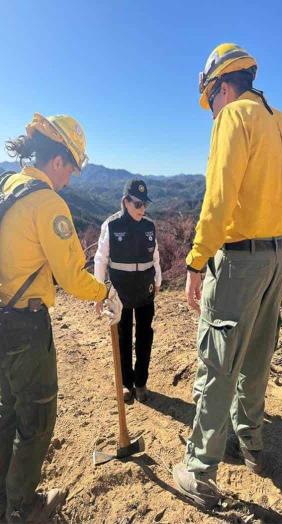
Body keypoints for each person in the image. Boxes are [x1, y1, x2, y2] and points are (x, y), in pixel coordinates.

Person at [172, 43, 282, 507]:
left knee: (217, 363)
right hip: (279, 257)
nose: (210, 111)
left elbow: (218, 199)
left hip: (238, 260)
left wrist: (195, 260)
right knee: (256, 355)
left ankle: (199, 471)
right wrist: (281, 255)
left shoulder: (233, 119)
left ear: (223, 87)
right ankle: (250, 443)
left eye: (210, 99)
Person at [0, 114, 122, 523]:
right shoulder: (48, 201)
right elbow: (71, 277)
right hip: (25, 324)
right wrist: (105, 291)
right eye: (71, 167)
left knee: (6, 411)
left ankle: (4, 499)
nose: (70, 177)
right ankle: (20, 507)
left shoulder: (9, 186)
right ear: (58, 160)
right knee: (36, 414)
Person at [94, 179, 162, 403]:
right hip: (119, 291)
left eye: (145, 205)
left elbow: (155, 256)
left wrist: (158, 280)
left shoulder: (149, 226)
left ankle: (141, 382)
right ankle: (125, 383)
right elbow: (101, 258)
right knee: (122, 338)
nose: (142, 209)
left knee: (144, 337)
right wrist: (98, 293)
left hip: (145, 288)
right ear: (125, 202)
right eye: (137, 204)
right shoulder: (111, 225)